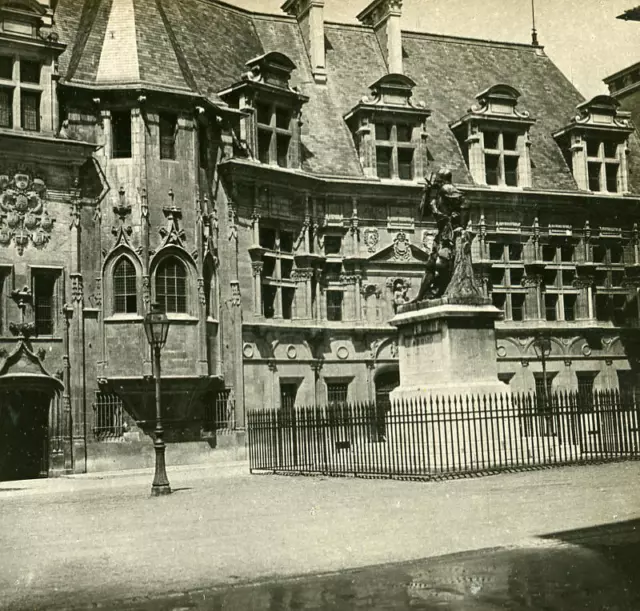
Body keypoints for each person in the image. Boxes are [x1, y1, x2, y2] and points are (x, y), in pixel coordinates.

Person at [410, 169, 468, 303]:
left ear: (442, 180)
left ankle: (438, 292)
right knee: (430, 265)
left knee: (441, 264)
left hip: (450, 233)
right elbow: (422, 213)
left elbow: (466, 202)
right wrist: (426, 192)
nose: (434, 181)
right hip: (442, 234)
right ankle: (420, 296)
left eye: (436, 179)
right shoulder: (438, 196)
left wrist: (461, 226)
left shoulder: (447, 189)